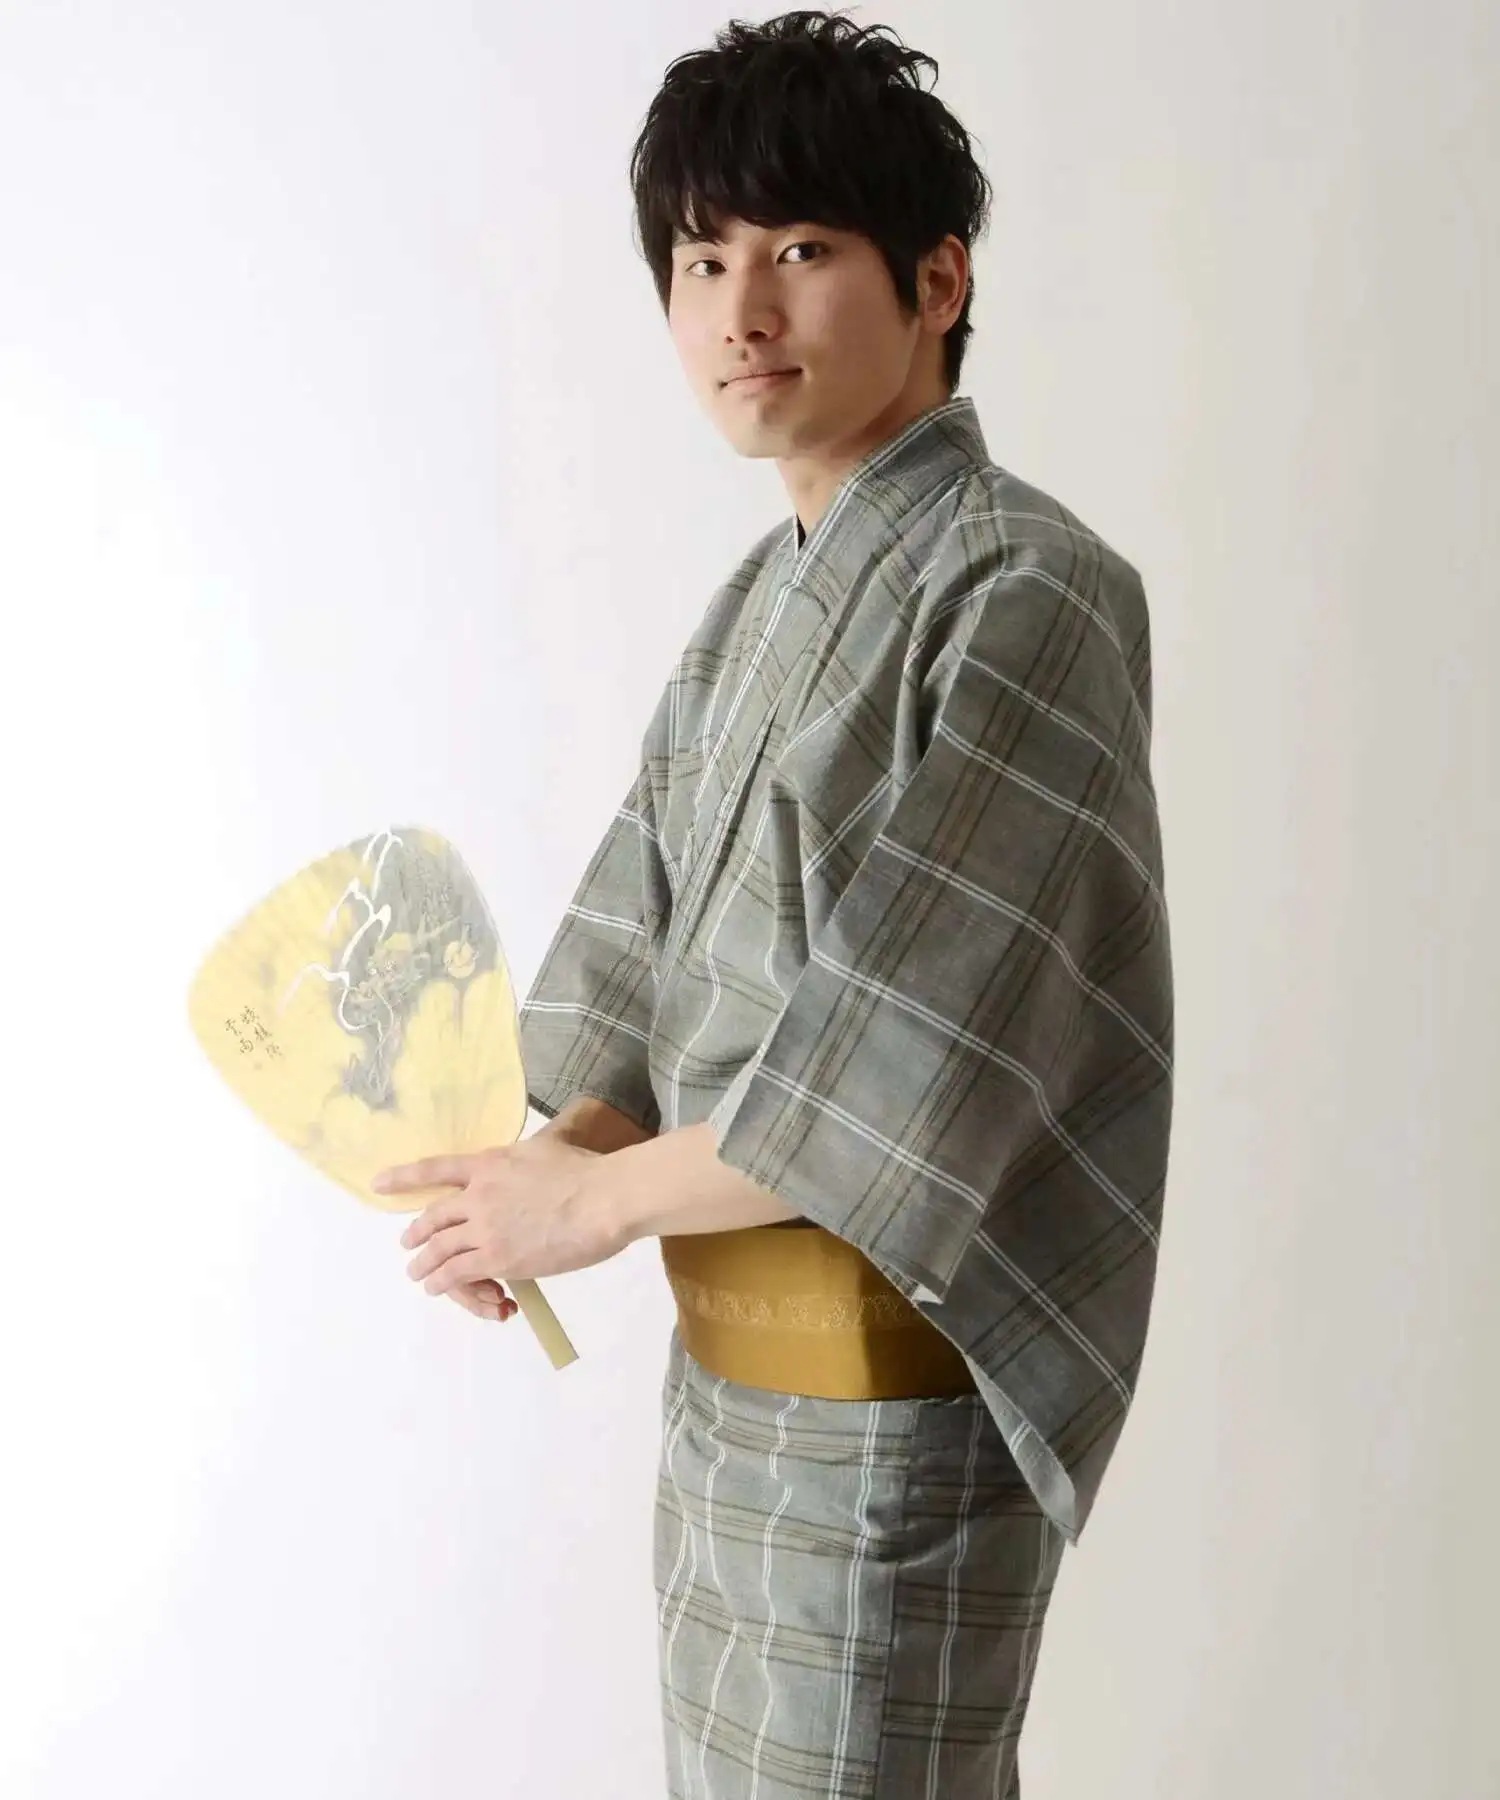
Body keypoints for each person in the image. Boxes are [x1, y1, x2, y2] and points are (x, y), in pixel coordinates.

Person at [374, 10, 1174, 1795]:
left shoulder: (1032, 588)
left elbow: (913, 1059)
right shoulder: (755, 602)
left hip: (891, 1408)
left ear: (939, 278)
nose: (740, 310)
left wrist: (591, 1204)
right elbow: (645, 947)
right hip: (727, 1402)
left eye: (803, 250)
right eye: (701, 259)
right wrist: (535, 1174)